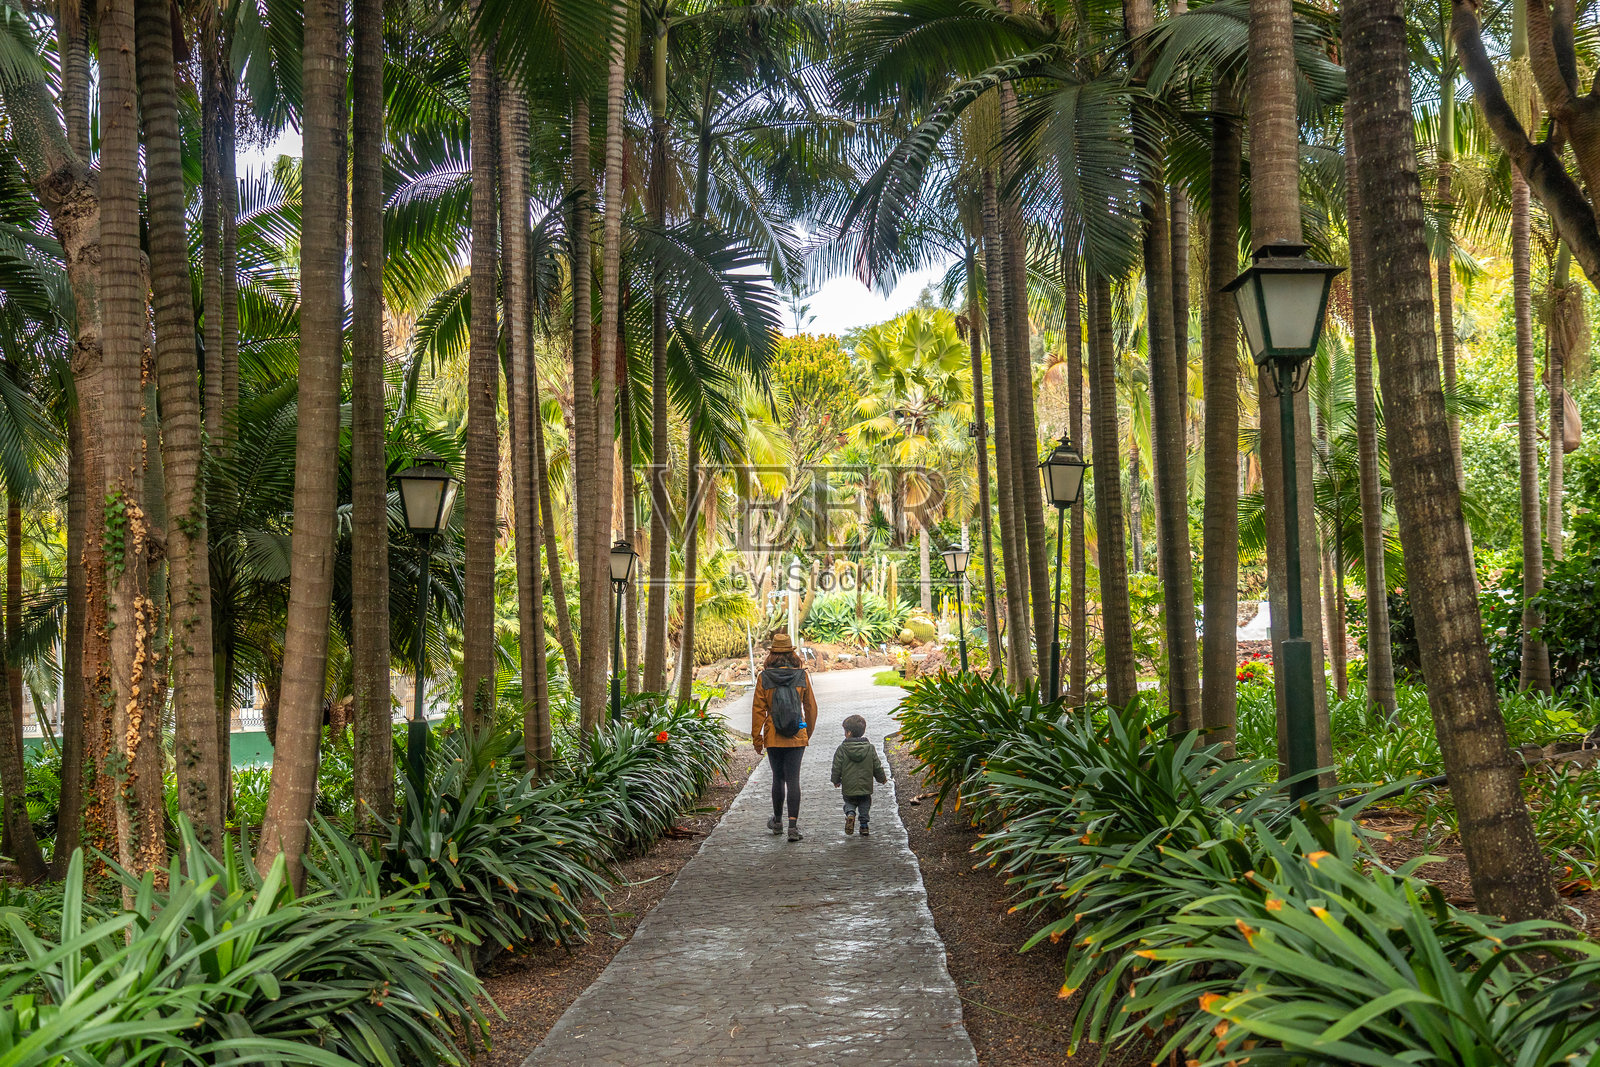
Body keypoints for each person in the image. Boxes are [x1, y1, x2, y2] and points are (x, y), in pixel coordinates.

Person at [751, 632, 820, 842]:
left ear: (772, 654)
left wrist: (757, 739)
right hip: (796, 735)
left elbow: (758, 711)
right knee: (794, 779)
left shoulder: (764, 678)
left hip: (773, 736)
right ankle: (793, 827)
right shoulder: (802, 676)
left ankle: (777, 823)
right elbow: (811, 708)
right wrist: (806, 732)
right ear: (792, 653)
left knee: (777, 779)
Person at [830, 714, 887, 837]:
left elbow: (836, 766)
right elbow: (876, 765)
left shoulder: (842, 749)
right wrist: (881, 778)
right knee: (865, 804)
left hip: (849, 786)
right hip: (865, 785)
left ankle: (850, 814)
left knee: (849, 802)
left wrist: (836, 780)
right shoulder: (870, 748)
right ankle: (864, 826)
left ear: (849, 732)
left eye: (845, 731)